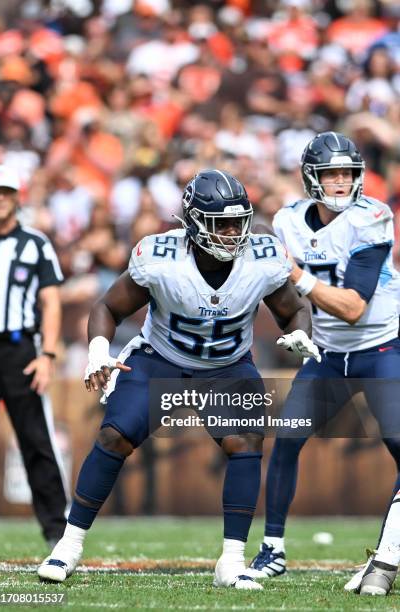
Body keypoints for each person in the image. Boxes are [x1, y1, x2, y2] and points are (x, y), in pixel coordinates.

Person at [37, 169, 318, 589]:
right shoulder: (160, 257)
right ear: (193, 223)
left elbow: (294, 309)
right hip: (160, 359)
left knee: (246, 443)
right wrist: (99, 350)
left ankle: (231, 560)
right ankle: (69, 544)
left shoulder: (261, 257)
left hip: (226, 368)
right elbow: (107, 307)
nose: (231, 231)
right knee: (115, 436)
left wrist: (299, 332)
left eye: (237, 221)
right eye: (220, 222)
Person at [247, 132, 400, 596]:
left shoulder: (373, 217)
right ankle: (272, 549)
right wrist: (289, 325)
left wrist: (297, 275)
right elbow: (279, 289)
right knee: (287, 440)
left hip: (381, 349)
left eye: (348, 173)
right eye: (332, 173)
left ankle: (387, 556)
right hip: (328, 356)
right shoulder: (288, 220)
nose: (341, 181)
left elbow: (353, 306)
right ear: (310, 177)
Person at [0, 164, 68, 547]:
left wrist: (48, 354)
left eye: (6, 191)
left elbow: (50, 302)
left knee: (36, 440)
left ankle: (57, 532)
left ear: (17, 196)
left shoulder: (35, 243)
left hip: (18, 348)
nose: (0, 198)